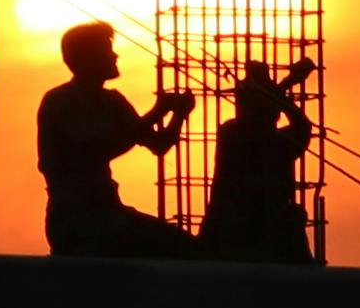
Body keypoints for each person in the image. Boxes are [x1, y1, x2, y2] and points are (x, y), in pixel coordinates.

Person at [34, 21, 196, 259]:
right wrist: (157, 112)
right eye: (106, 49)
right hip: (75, 218)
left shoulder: (112, 101)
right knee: (134, 242)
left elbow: (158, 144)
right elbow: (96, 150)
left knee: (182, 244)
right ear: (87, 57)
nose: (114, 55)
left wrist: (179, 115)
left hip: (109, 210)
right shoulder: (61, 101)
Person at [194, 57, 320, 265]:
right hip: (240, 233)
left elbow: (301, 126)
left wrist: (281, 89)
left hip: (268, 232)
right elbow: (299, 125)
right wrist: (283, 89)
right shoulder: (238, 134)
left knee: (292, 216)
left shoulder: (272, 140)